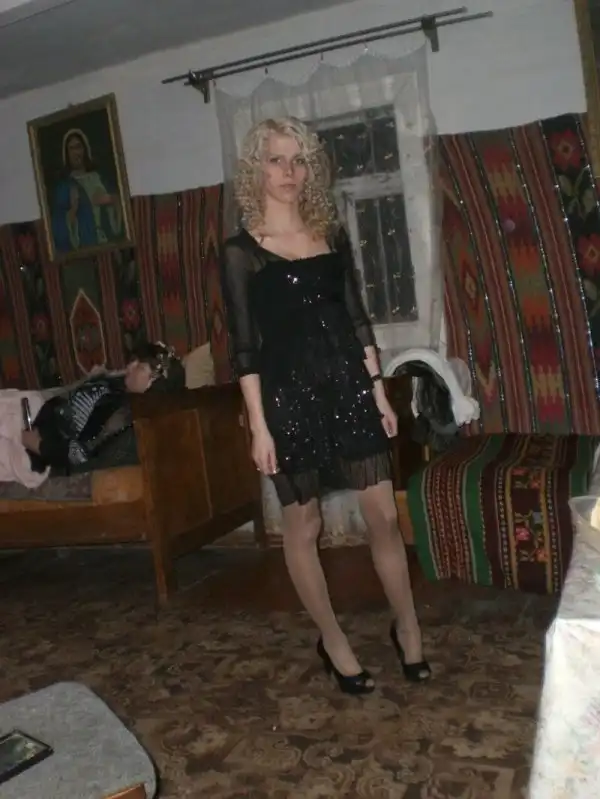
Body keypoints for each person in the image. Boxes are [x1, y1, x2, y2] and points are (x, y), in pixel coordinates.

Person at [221, 117, 430, 694]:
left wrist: (377, 390)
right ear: (256, 169)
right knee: (304, 522)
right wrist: (258, 427)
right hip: (287, 398)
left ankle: (407, 626)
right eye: (276, 159)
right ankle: (333, 640)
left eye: (299, 160)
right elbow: (244, 347)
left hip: (347, 387)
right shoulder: (240, 252)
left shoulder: (329, 235)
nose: (289, 171)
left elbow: (357, 320)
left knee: (383, 515)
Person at [21, 341, 185, 474]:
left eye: (140, 367)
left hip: (40, 448)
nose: (130, 367)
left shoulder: (124, 415)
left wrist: (38, 445)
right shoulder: (120, 387)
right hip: (39, 415)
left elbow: (80, 455)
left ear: (153, 384)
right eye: (134, 361)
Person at [51, 129, 123, 254]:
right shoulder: (64, 187)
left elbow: (117, 204)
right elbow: (57, 225)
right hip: (85, 245)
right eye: (71, 148)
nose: (76, 152)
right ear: (67, 154)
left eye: (78, 147)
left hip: (106, 244)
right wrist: (74, 208)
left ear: (84, 149)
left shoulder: (98, 178)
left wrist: (111, 200)